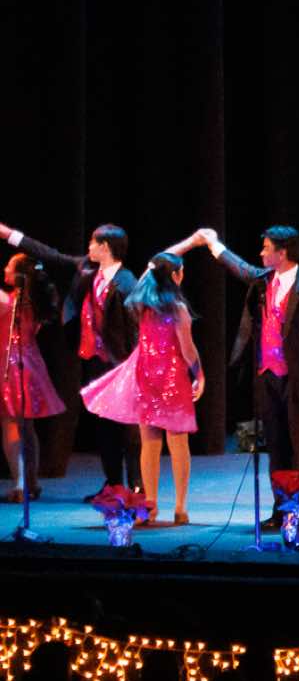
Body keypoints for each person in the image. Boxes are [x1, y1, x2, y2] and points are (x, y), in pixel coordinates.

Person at [196, 225, 299, 530]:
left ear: (282, 254)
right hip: (268, 376)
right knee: (277, 447)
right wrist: (213, 244)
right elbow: (240, 268)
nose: (261, 253)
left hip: (298, 380)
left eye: (267, 248)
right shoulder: (263, 282)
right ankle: (282, 511)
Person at [0, 219, 140, 489]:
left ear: (105, 247)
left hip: (121, 361)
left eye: (93, 242)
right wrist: (9, 235)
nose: (89, 247)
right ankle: (113, 484)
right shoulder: (86, 267)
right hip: (96, 359)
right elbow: (49, 255)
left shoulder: (127, 283)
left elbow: (135, 328)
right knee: (103, 425)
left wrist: (134, 364)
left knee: (128, 427)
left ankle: (136, 486)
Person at [80, 246, 207, 524]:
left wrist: (157, 264)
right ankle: (180, 507)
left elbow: (146, 277)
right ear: (175, 276)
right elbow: (187, 350)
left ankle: (150, 506)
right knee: (178, 442)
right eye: (180, 271)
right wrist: (199, 375)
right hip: (172, 376)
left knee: (149, 443)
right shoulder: (178, 309)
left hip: (146, 373)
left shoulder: (141, 304)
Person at [1, 252, 65, 504]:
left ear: (19, 275)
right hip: (31, 363)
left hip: (9, 363)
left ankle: (19, 483)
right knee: (27, 426)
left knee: (11, 424)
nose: (4, 268)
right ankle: (32, 481)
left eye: (9, 265)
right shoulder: (36, 303)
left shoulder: (8, 301)